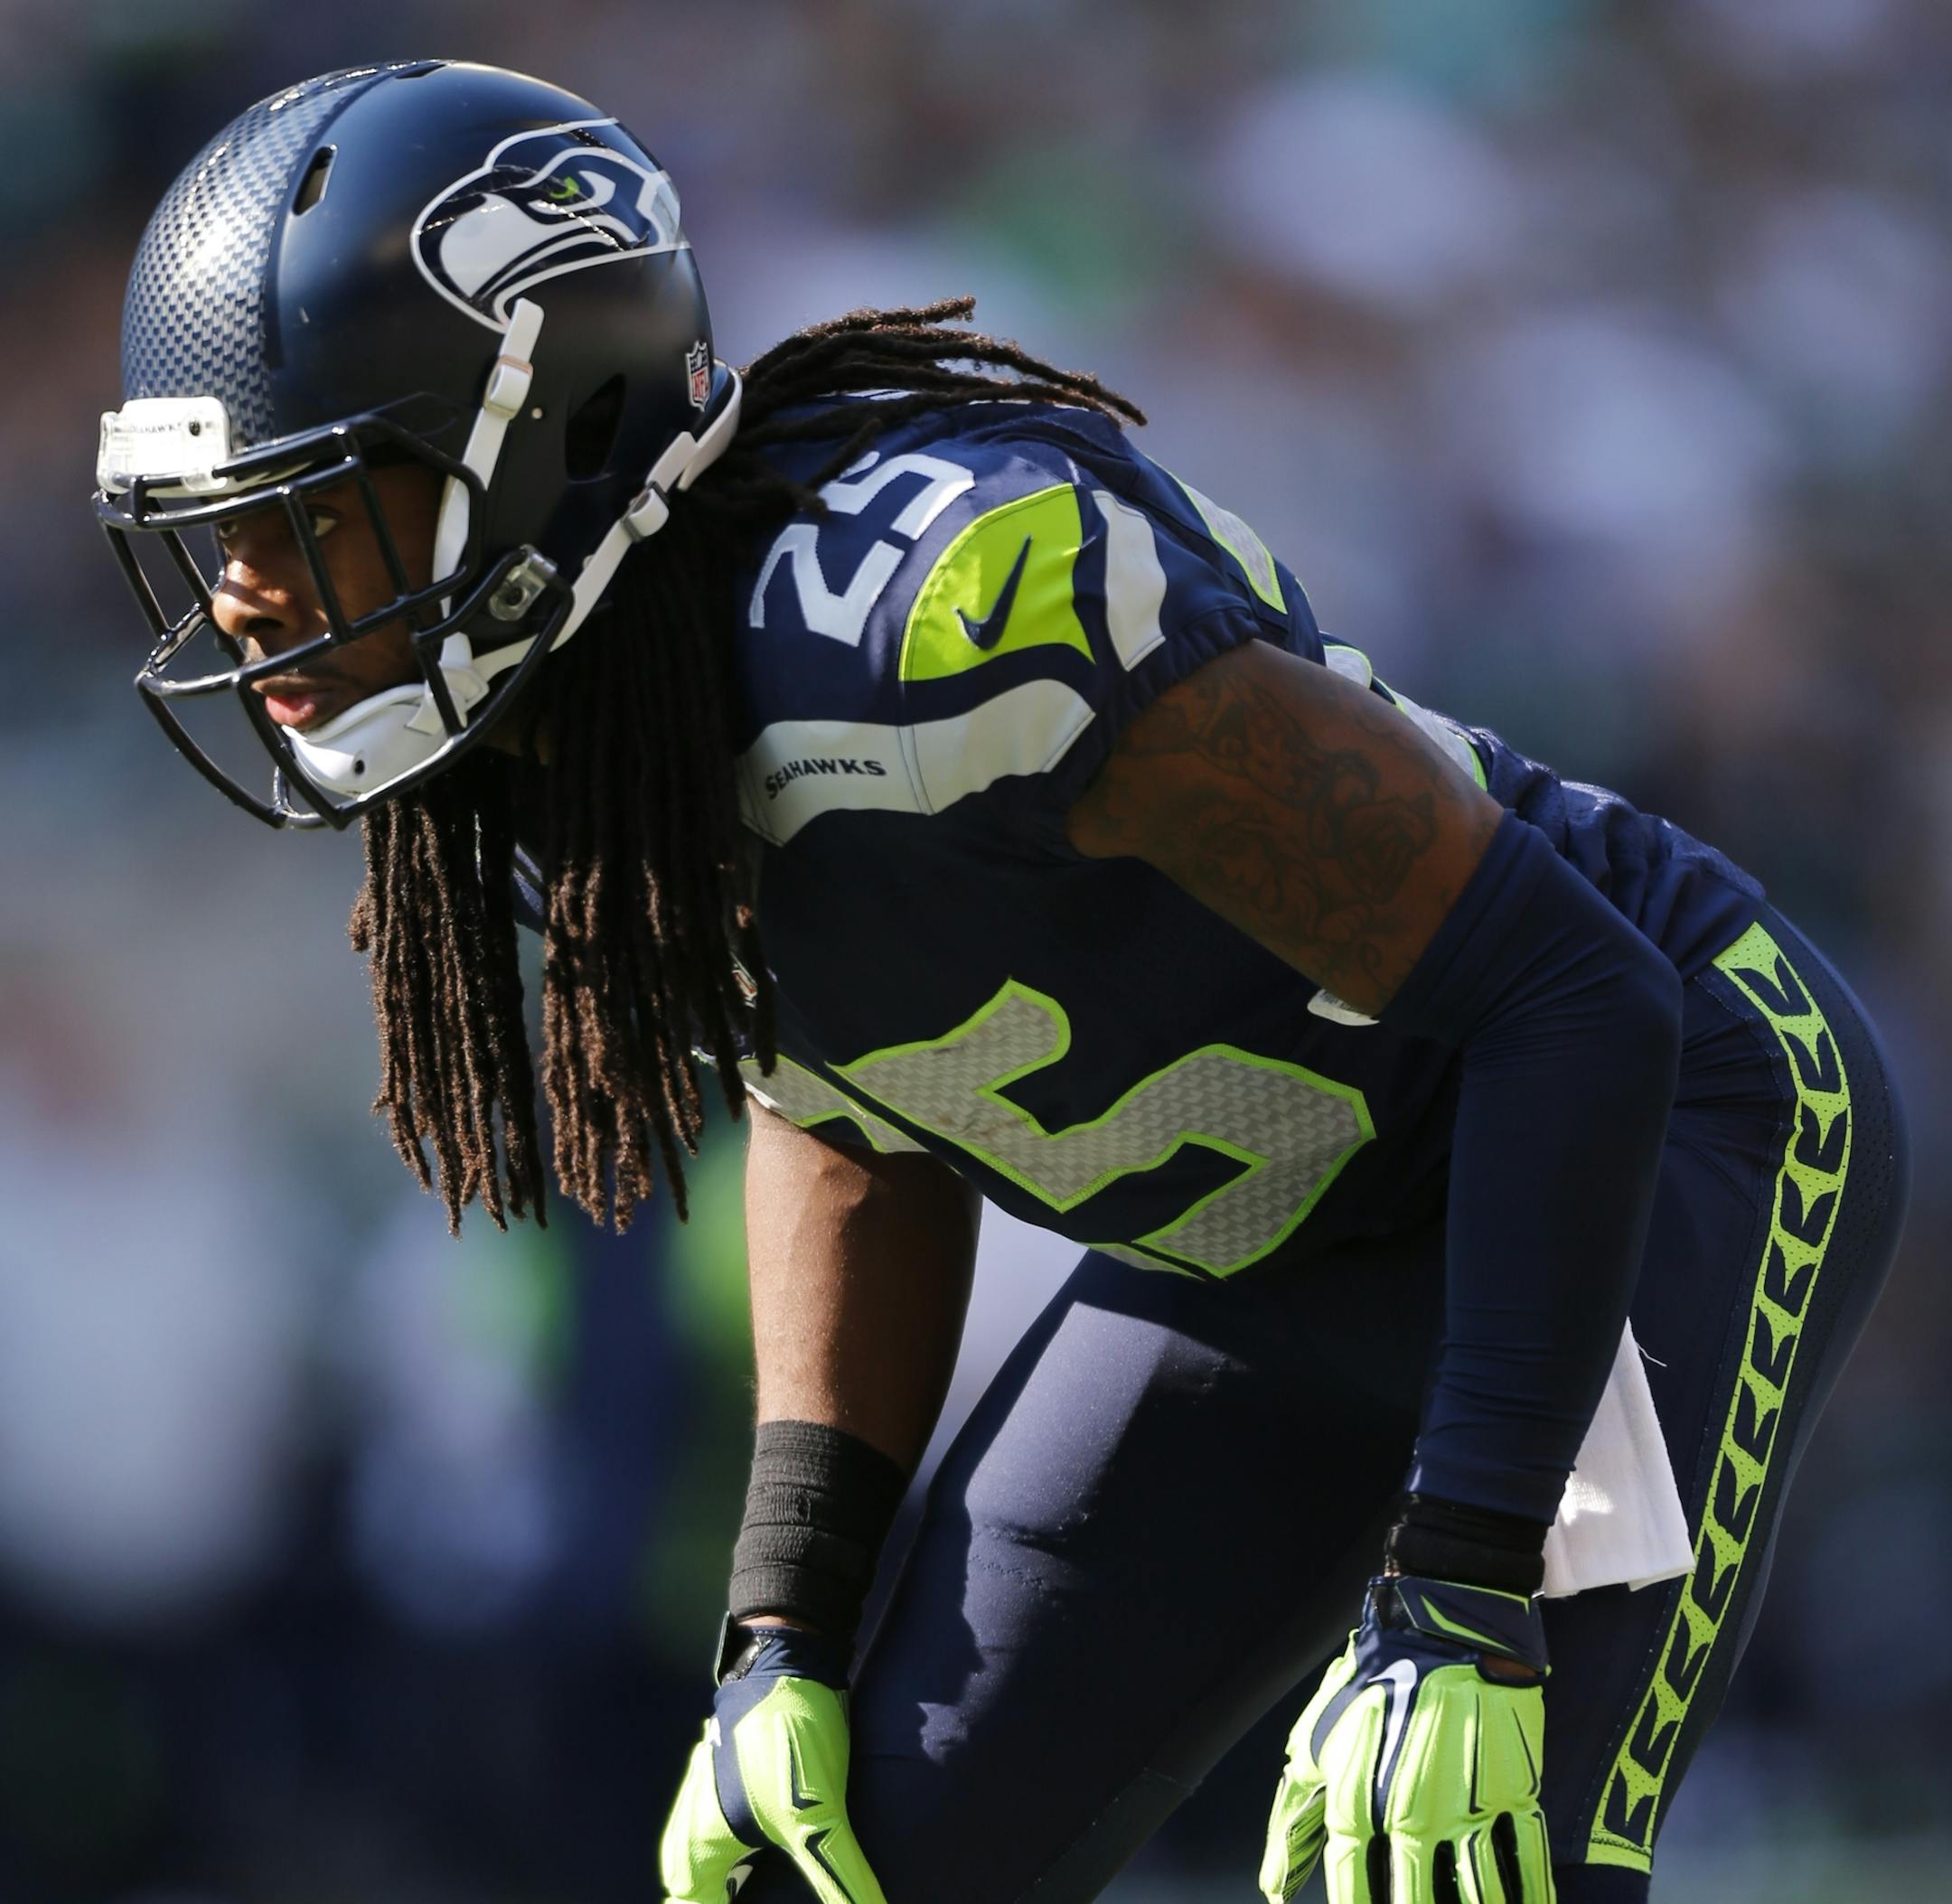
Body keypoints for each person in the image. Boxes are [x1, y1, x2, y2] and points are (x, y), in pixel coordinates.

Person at [96, 61, 1909, 1904]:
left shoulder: (946, 610)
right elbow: (851, 1104)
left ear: (546, 429)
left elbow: (1578, 999)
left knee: (1454, 1854)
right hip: (1262, 1253)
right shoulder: (578, 741)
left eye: (307, 508)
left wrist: (1463, 1580)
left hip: (1633, 1132)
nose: (246, 592)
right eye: (223, 526)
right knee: (853, 1871)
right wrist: (782, 1625)